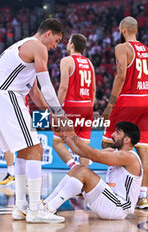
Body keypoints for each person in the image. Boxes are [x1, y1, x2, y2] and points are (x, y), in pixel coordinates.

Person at [0, 18, 65, 223]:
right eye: (56, 40)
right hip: (7, 96)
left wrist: (49, 114)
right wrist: (59, 113)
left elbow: (35, 92)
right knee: (36, 149)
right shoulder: (38, 47)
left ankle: (20, 207)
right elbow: (47, 87)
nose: (55, 46)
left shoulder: (23, 47)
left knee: (23, 150)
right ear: (48, 34)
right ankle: (36, 208)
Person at [101, 16, 148, 209]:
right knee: (144, 150)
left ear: (123, 30)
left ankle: (113, 190)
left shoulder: (122, 47)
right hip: (147, 100)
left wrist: (110, 104)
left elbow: (121, 75)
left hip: (128, 99)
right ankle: (142, 196)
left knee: (108, 142)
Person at [44, 121, 142, 220]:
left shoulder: (129, 157)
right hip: (110, 201)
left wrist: (73, 135)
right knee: (77, 168)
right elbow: (81, 152)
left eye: (117, 132)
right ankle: (46, 204)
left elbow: (95, 156)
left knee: (84, 172)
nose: (112, 135)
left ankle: (50, 208)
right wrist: (64, 136)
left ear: (126, 139)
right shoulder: (115, 152)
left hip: (119, 207)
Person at [53, 33, 96, 168]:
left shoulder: (66, 61)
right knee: (83, 145)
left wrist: (56, 110)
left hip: (73, 105)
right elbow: (93, 89)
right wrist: (90, 107)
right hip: (87, 106)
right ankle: (85, 179)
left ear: (71, 45)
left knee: (57, 142)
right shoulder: (89, 63)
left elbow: (64, 87)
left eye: (68, 42)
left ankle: (74, 167)